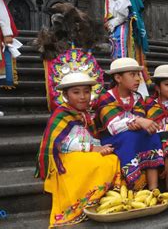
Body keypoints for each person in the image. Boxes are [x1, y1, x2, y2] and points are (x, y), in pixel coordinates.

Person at [35, 72, 120, 227]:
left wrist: (100, 147)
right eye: (76, 92)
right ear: (66, 95)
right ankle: (84, 202)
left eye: (86, 92)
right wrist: (93, 148)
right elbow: (61, 145)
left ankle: (102, 199)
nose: (83, 96)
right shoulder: (61, 114)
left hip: (82, 153)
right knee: (95, 161)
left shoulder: (85, 115)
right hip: (64, 157)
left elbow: (90, 136)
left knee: (112, 158)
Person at [97, 58, 164, 190]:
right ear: (118, 77)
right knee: (129, 137)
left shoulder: (138, 97)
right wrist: (137, 121)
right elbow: (113, 126)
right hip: (111, 138)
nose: (138, 79)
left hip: (133, 133)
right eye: (132, 75)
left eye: (138, 74)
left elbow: (146, 117)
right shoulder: (106, 98)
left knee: (152, 135)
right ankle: (133, 187)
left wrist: (140, 123)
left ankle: (153, 189)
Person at [104, 0, 151, 97]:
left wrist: (114, 22)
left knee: (122, 61)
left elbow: (124, 4)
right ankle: (139, 93)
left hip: (120, 28)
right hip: (126, 28)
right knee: (130, 60)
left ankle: (125, 94)